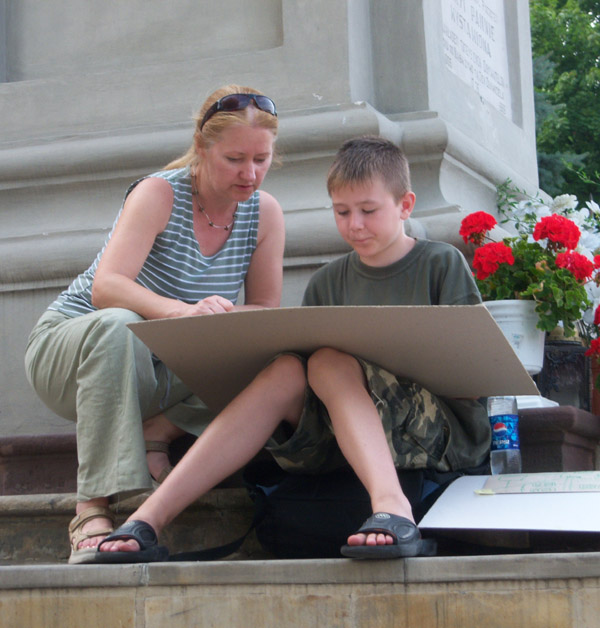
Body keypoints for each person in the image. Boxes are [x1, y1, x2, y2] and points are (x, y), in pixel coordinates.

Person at [96, 135, 491, 563]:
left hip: (441, 432)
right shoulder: (327, 281)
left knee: (328, 362)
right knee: (289, 368)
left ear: (405, 205)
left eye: (368, 211)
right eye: (342, 212)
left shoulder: (441, 263)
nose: (354, 224)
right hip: (344, 432)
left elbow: (471, 383)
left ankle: (393, 509)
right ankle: (149, 519)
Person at [23, 85, 285, 564]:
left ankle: (157, 432)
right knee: (119, 323)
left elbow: (265, 309)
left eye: (261, 159)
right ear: (202, 149)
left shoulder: (264, 213)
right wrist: (182, 312)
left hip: (162, 366)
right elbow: (108, 288)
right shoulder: (158, 192)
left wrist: (217, 320)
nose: (250, 174)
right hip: (75, 348)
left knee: (273, 354)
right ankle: (91, 509)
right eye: (234, 159)